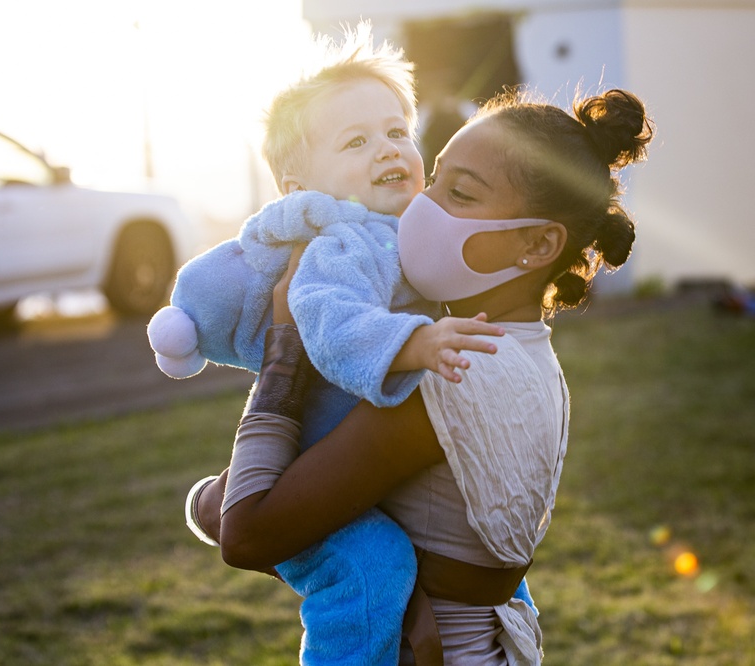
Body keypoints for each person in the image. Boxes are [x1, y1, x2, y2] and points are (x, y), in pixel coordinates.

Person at [193, 87, 654, 664]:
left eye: (459, 194)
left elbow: (248, 531)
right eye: (433, 179)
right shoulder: (522, 351)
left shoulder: (454, 370)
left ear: (539, 244)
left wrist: (286, 344)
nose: (423, 205)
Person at [147, 25, 508, 665]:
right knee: (370, 569)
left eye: (398, 131)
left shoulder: (412, 228)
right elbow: (327, 320)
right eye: (357, 141)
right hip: (305, 478)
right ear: (301, 190)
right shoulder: (343, 242)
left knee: (464, 546)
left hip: (375, 474)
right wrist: (413, 342)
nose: (388, 150)